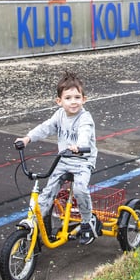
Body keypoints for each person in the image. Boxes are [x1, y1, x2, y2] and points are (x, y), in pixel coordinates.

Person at [14, 71, 99, 245]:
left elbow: (85, 133)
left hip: (82, 161)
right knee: (47, 192)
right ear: (59, 101)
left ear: (84, 99)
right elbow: (45, 128)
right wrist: (27, 138)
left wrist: (79, 146)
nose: (73, 101)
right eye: (68, 98)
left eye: (77, 97)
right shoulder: (59, 115)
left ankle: (87, 221)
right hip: (63, 161)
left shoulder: (85, 118)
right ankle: (34, 223)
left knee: (80, 190)